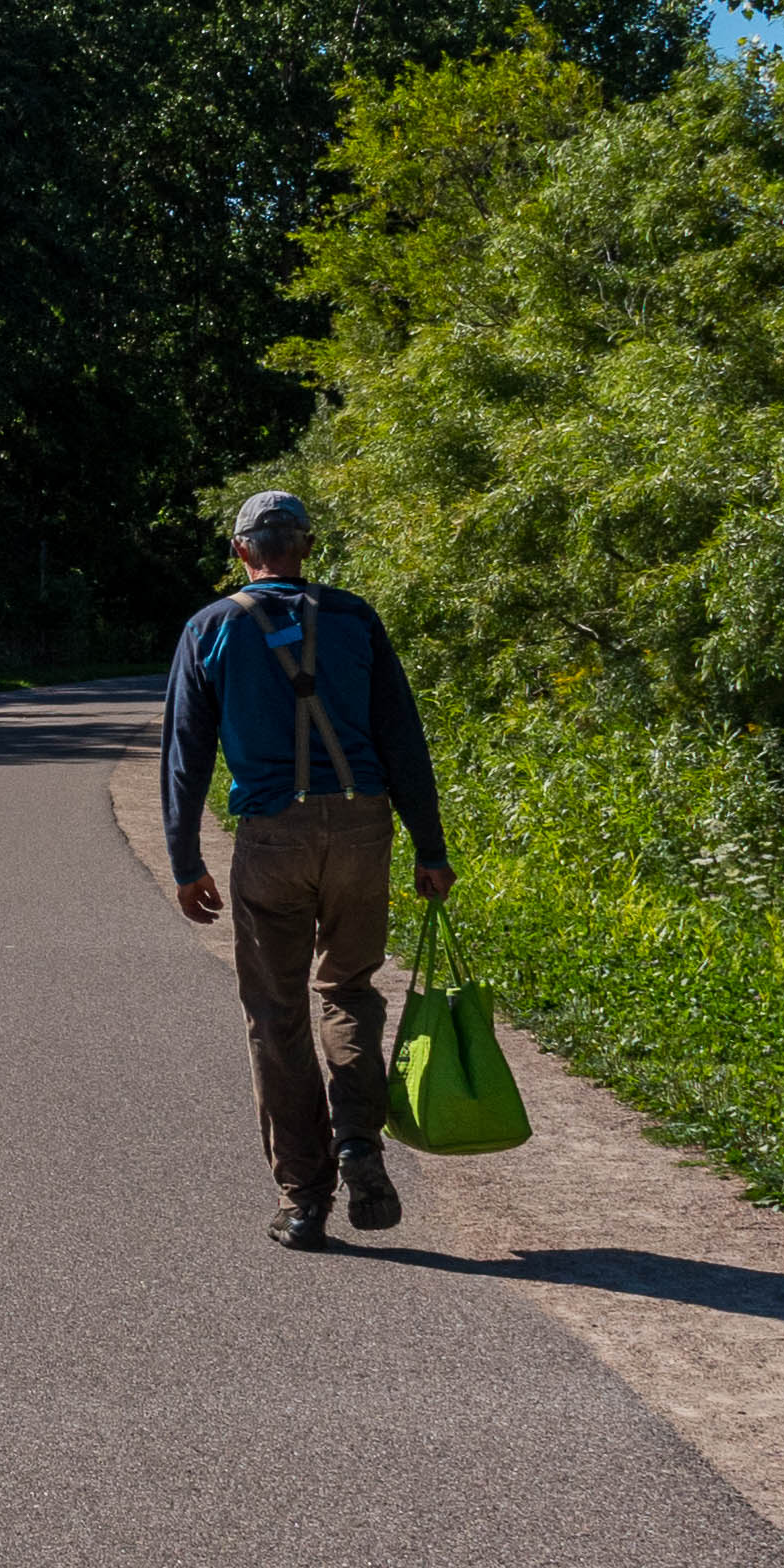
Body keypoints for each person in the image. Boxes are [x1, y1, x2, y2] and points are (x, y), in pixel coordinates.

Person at [157, 488, 454, 1249]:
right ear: (307, 548)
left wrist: (186, 860)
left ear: (241, 552)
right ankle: (356, 1138)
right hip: (362, 827)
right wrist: (430, 847)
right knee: (348, 990)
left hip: (273, 835)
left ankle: (304, 1198)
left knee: (276, 1014)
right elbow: (402, 737)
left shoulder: (210, 627)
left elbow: (187, 754)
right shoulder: (354, 618)